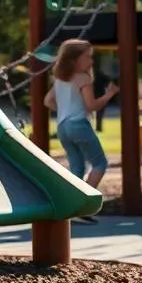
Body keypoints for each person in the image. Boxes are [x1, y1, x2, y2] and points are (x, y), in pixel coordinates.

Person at [43, 39, 118, 218]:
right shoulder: (83, 78)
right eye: (88, 57)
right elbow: (91, 105)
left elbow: (48, 101)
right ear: (74, 60)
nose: (91, 61)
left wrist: (66, 111)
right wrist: (109, 95)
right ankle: (83, 206)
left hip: (63, 127)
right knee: (100, 163)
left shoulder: (60, 79)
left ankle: (71, 208)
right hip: (79, 125)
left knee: (77, 167)